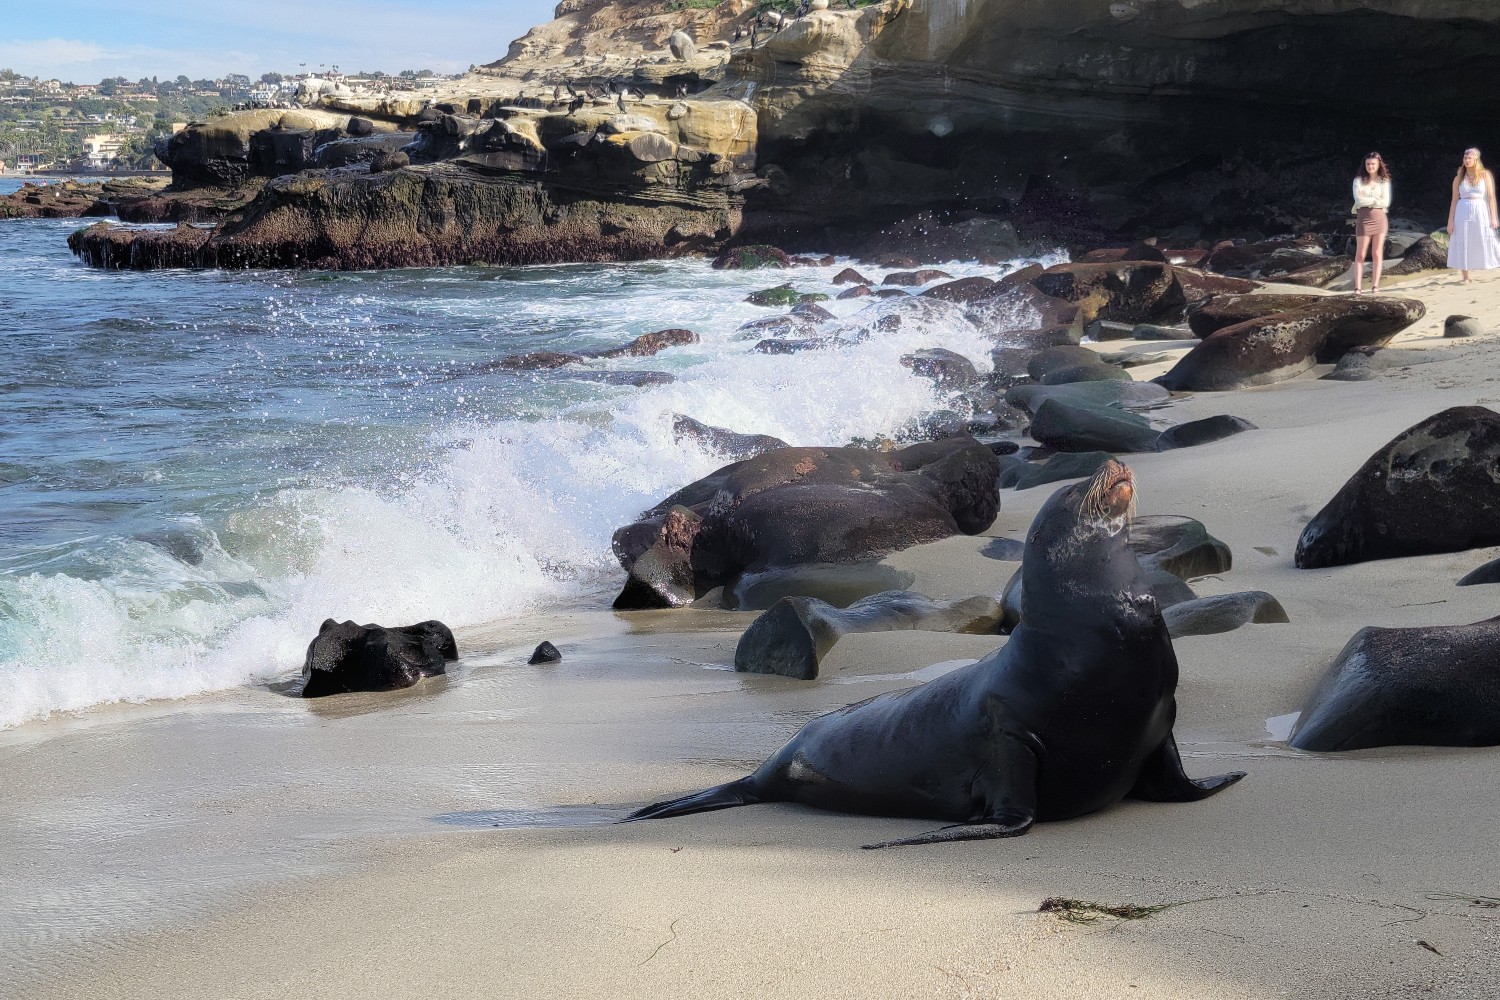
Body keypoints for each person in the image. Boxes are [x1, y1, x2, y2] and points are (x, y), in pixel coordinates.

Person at [1447, 147, 1500, 283]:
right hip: (1462, 210)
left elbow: (1491, 197)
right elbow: (1454, 200)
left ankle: (1494, 264)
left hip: (1480, 209)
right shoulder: (1459, 177)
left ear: (1476, 159)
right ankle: (1465, 276)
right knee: (1463, 239)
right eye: (1465, 158)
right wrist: (1450, 222)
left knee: (1487, 237)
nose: (1467, 160)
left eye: (1470, 158)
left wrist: (1494, 217)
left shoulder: (1485, 175)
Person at [1351, 152, 1392, 293]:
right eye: (1368, 164)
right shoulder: (1358, 181)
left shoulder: (1384, 181)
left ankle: (1375, 286)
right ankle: (1358, 287)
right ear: (1365, 164)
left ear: (1378, 164)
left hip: (1380, 219)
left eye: (1373, 164)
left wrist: (1369, 198)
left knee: (1377, 253)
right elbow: (1359, 200)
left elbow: (1385, 202)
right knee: (1360, 254)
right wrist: (1375, 200)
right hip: (1363, 219)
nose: (1370, 166)